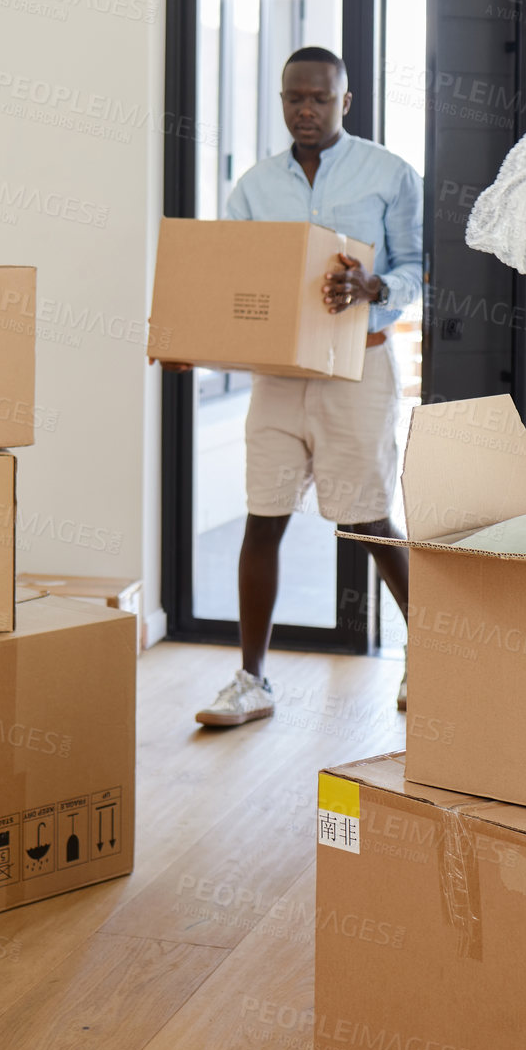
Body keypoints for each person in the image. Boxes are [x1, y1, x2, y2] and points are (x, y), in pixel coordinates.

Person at [173, 46, 423, 727]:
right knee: (263, 516)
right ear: (281, 101)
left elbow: (416, 267)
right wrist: (188, 343)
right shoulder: (253, 188)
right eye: (293, 98)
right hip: (279, 380)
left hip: (358, 368)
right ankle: (251, 681)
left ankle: (429, 659)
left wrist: (375, 287)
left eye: (318, 98)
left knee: (368, 520)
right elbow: (229, 284)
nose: (304, 110)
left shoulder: (389, 174)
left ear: (345, 101)